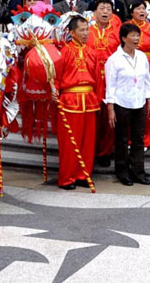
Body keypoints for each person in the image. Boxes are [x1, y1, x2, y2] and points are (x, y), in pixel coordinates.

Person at [53, 16, 99, 190]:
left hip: (89, 100)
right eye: (82, 30)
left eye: (87, 29)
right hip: (70, 101)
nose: (86, 33)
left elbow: (97, 78)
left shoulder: (92, 52)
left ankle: (83, 175)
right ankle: (67, 177)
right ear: (72, 33)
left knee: (88, 142)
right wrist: (55, 92)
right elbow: (56, 75)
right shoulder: (63, 52)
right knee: (69, 143)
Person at [105, 23, 150, 186]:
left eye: (137, 35)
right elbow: (110, 85)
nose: (136, 38)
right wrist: (111, 108)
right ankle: (122, 171)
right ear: (124, 38)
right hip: (121, 103)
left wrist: (149, 102)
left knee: (138, 138)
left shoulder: (142, 57)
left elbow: (147, 80)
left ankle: (138, 172)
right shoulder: (114, 59)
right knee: (122, 139)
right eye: (132, 35)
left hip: (139, 102)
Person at [86, 0, 121, 163]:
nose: (105, 12)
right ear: (94, 12)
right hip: (91, 78)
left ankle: (105, 152)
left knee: (109, 116)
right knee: (93, 116)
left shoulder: (117, 31)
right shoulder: (86, 30)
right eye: (102, 8)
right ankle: (90, 150)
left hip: (111, 79)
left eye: (108, 9)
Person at [126, 0, 150, 149]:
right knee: (130, 102)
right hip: (129, 65)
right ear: (131, 11)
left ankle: (147, 138)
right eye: (138, 9)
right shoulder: (126, 27)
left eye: (143, 9)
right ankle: (130, 138)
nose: (142, 11)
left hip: (149, 66)